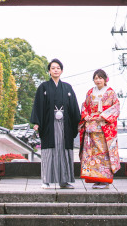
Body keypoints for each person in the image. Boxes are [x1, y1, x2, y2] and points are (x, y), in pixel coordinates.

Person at [30, 58, 80, 189]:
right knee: (49, 152)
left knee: (64, 151)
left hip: (66, 124)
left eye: (58, 68)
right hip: (49, 124)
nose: (56, 70)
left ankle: (64, 181)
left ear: (62, 70)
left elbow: (74, 106)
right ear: (49, 71)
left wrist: (78, 122)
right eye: (53, 68)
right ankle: (46, 180)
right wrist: (36, 122)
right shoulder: (43, 87)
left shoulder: (68, 87)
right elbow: (38, 105)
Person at [78, 69, 120, 188]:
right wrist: (86, 116)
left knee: (104, 153)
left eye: (100, 78)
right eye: (96, 78)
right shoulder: (90, 92)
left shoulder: (111, 93)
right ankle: (96, 178)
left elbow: (116, 107)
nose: (98, 80)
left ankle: (105, 180)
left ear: (105, 79)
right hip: (91, 127)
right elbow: (84, 106)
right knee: (92, 154)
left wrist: (102, 116)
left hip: (104, 127)